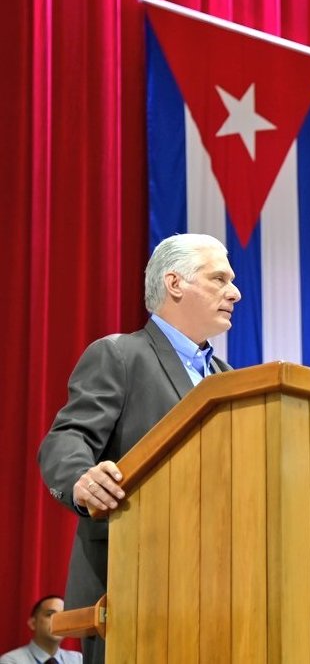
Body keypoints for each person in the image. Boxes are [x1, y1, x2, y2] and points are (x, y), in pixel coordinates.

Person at [37, 233, 241, 664]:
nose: (235, 292)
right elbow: (67, 438)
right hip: (132, 588)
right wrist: (80, 480)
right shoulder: (121, 356)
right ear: (175, 283)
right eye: (219, 279)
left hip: (225, 592)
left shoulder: (233, 381)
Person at [0, 595, 82, 664]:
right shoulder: (11, 661)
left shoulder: (78, 660)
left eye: (63, 616)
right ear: (32, 623)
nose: (58, 621)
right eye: (50, 614)